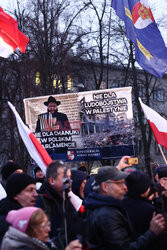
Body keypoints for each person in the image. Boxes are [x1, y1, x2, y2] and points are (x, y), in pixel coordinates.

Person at [84, 166, 165, 250]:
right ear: (105, 187)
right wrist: (152, 232)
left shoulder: (99, 205)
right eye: (119, 183)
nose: (125, 188)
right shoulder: (107, 215)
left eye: (124, 183)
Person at [35, 160, 77, 247]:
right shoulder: (40, 203)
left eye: (70, 177)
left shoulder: (67, 201)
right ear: (52, 180)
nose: (70, 181)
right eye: (66, 177)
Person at [1, 207, 82, 250]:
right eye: (43, 225)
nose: (49, 229)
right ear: (29, 229)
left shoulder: (40, 244)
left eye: (48, 224)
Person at [0, 173, 38, 243]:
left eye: (35, 190)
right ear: (15, 194)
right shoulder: (5, 225)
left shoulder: (32, 216)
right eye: (30, 190)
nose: (36, 194)